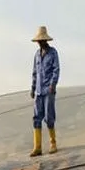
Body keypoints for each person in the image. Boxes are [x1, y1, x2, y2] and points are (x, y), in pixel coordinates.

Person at [29, 25, 60, 157]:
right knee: (36, 117)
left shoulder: (53, 53)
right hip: (38, 91)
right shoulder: (36, 55)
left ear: (45, 40)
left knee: (49, 117)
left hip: (48, 90)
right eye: (38, 41)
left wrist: (53, 84)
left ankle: (53, 143)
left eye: (42, 41)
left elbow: (56, 69)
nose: (40, 43)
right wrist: (32, 87)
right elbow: (35, 73)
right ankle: (37, 147)